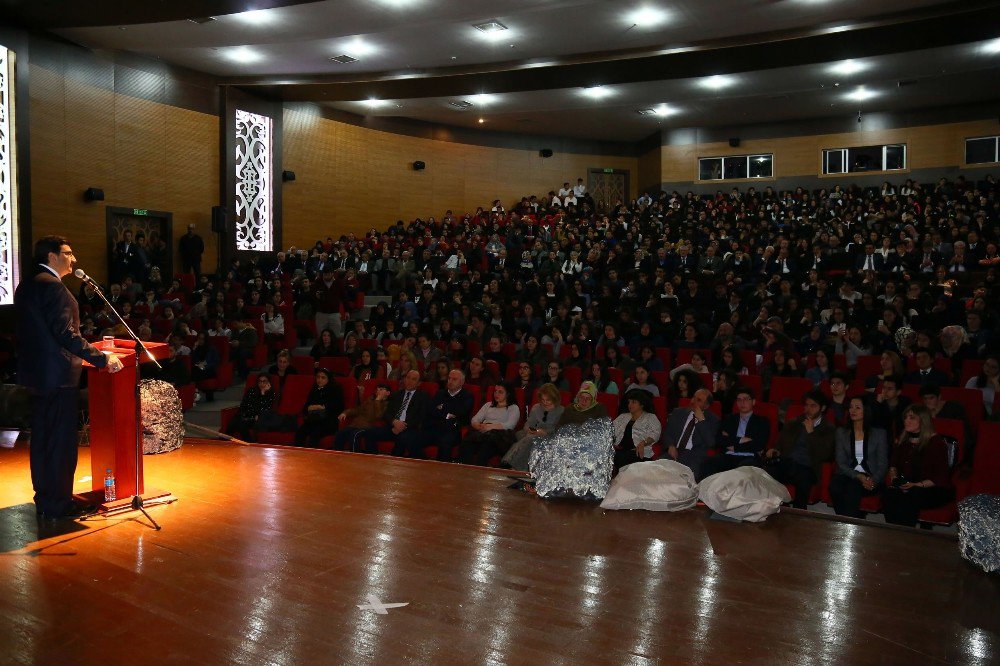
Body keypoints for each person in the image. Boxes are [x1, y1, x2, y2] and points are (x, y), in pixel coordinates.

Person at [15, 236, 124, 521]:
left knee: (42, 442)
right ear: (52, 256)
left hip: (37, 376)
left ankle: (46, 500)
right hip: (59, 378)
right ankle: (59, 505)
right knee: (61, 445)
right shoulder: (55, 289)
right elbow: (66, 334)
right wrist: (101, 357)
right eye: (68, 253)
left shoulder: (26, 285)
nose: (73, 259)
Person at [883, 405, 955, 527]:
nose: (906, 421)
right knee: (890, 494)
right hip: (909, 484)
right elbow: (893, 465)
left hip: (932, 488)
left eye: (912, 418)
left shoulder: (936, 443)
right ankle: (893, 532)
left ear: (923, 421)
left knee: (910, 496)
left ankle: (906, 536)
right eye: (905, 418)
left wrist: (916, 485)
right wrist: (895, 479)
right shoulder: (904, 440)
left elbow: (939, 477)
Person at [765, 390, 836, 509]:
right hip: (788, 462)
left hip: (809, 467)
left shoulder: (828, 428)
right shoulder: (794, 422)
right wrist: (775, 451)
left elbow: (824, 454)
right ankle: (776, 508)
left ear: (822, 408)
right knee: (766, 472)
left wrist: (811, 433)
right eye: (807, 405)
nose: (808, 409)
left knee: (803, 478)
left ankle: (799, 514)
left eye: (813, 406)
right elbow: (780, 444)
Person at [829, 397, 889, 518]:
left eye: (857, 407)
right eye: (851, 407)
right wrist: (857, 476)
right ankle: (846, 522)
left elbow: (883, 463)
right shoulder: (842, 432)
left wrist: (874, 480)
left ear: (866, 411)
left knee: (853, 487)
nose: (853, 410)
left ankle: (850, 525)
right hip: (848, 474)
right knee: (834, 487)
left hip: (870, 477)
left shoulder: (879, 434)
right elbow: (840, 462)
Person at [403, 369, 475, 461]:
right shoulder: (440, 393)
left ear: (461, 382)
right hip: (435, 428)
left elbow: (460, 412)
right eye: (449, 378)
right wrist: (447, 415)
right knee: (410, 438)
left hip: (452, 430)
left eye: (454, 379)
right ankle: (425, 462)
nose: (450, 381)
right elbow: (431, 410)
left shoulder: (467, 396)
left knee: (445, 443)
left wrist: (442, 407)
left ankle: (441, 470)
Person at [702, 388, 770, 477]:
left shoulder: (762, 422)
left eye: (746, 399)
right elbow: (719, 440)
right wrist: (741, 439)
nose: (742, 402)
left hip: (749, 457)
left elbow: (759, 445)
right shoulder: (729, 419)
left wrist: (734, 446)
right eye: (739, 400)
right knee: (707, 463)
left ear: (753, 402)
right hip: (728, 456)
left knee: (744, 468)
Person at [360, 370, 429, 455]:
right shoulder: (397, 394)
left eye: (413, 379)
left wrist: (402, 426)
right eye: (408, 378)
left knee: (403, 438)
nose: (409, 381)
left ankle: (394, 464)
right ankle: (374, 460)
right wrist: (394, 422)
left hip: (409, 428)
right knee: (369, 432)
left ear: (419, 383)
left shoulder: (423, 396)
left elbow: (420, 417)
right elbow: (386, 413)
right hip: (393, 426)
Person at [501, 383, 564, 471]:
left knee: (531, 439)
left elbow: (557, 429)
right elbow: (527, 425)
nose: (545, 402)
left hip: (548, 436)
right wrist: (530, 430)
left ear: (554, 399)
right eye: (542, 400)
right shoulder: (536, 407)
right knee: (529, 438)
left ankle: (511, 464)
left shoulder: (561, 411)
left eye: (548, 400)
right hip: (530, 433)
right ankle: (517, 468)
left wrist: (544, 432)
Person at [660, 388, 720, 480]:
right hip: (673, 452)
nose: (693, 401)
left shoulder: (713, 420)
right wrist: (670, 446)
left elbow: (711, 443)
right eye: (693, 397)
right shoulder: (678, 412)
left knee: (685, 481)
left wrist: (701, 421)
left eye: (698, 400)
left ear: (706, 405)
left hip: (694, 456)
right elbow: (667, 433)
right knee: (655, 472)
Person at [459, 382, 520, 466]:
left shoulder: (513, 408)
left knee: (484, 449)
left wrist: (490, 427)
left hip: (499, 437)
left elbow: (510, 425)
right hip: (482, 433)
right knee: (466, 445)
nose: (496, 394)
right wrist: (478, 425)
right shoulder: (488, 405)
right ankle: (466, 473)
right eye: (495, 391)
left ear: (508, 394)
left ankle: (478, 475)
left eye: (500, 392)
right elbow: (475, 419)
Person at [611, 389, 662, 472]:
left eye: (633, 402)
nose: (630, 405)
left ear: (641, 405)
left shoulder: (650, 417)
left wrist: (643, 443)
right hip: (620, 449)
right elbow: (611, 430)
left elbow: (655, 434)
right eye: (629, 402)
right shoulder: (623, 417)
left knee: (622, 458)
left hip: (638, 451)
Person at [293, 368, 344, 448]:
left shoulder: (335, 389)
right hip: (314, 420)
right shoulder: (315, 389)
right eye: (318, 377)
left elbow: (336, 408)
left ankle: (313, 459)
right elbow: (307, 407)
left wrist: (317, 407)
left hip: (328, 422)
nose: (319, 380)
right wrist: (316, 407)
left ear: (328, 379)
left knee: (314, 434)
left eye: (323, 378)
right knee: (300, 432)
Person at [333, 383, 391, 452]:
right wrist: (345, 413)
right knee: (340, 433)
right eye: (377, 389)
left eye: (381, 389)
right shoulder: (369, 400)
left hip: (369, 426)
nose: (378, 391)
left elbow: (378, 415)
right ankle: (337, 456)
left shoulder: (388, 404)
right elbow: (358, 410)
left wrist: (378, 401)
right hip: (357, 424)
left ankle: (355, 459)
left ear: (388, 393)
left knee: (354, 435)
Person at [226, 374, 278, 442]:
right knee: (237, 419)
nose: (262, 383)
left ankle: (248, 443)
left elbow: (264, 409)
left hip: (259, 418)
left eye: (264, 381)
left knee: (240, 423)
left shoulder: (271, 394)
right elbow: (243, 405)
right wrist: (245, 413)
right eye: (260, 381)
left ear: (268, 383)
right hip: (247, 415)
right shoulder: (251, 391)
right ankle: (225, 441)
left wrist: (263, 393)